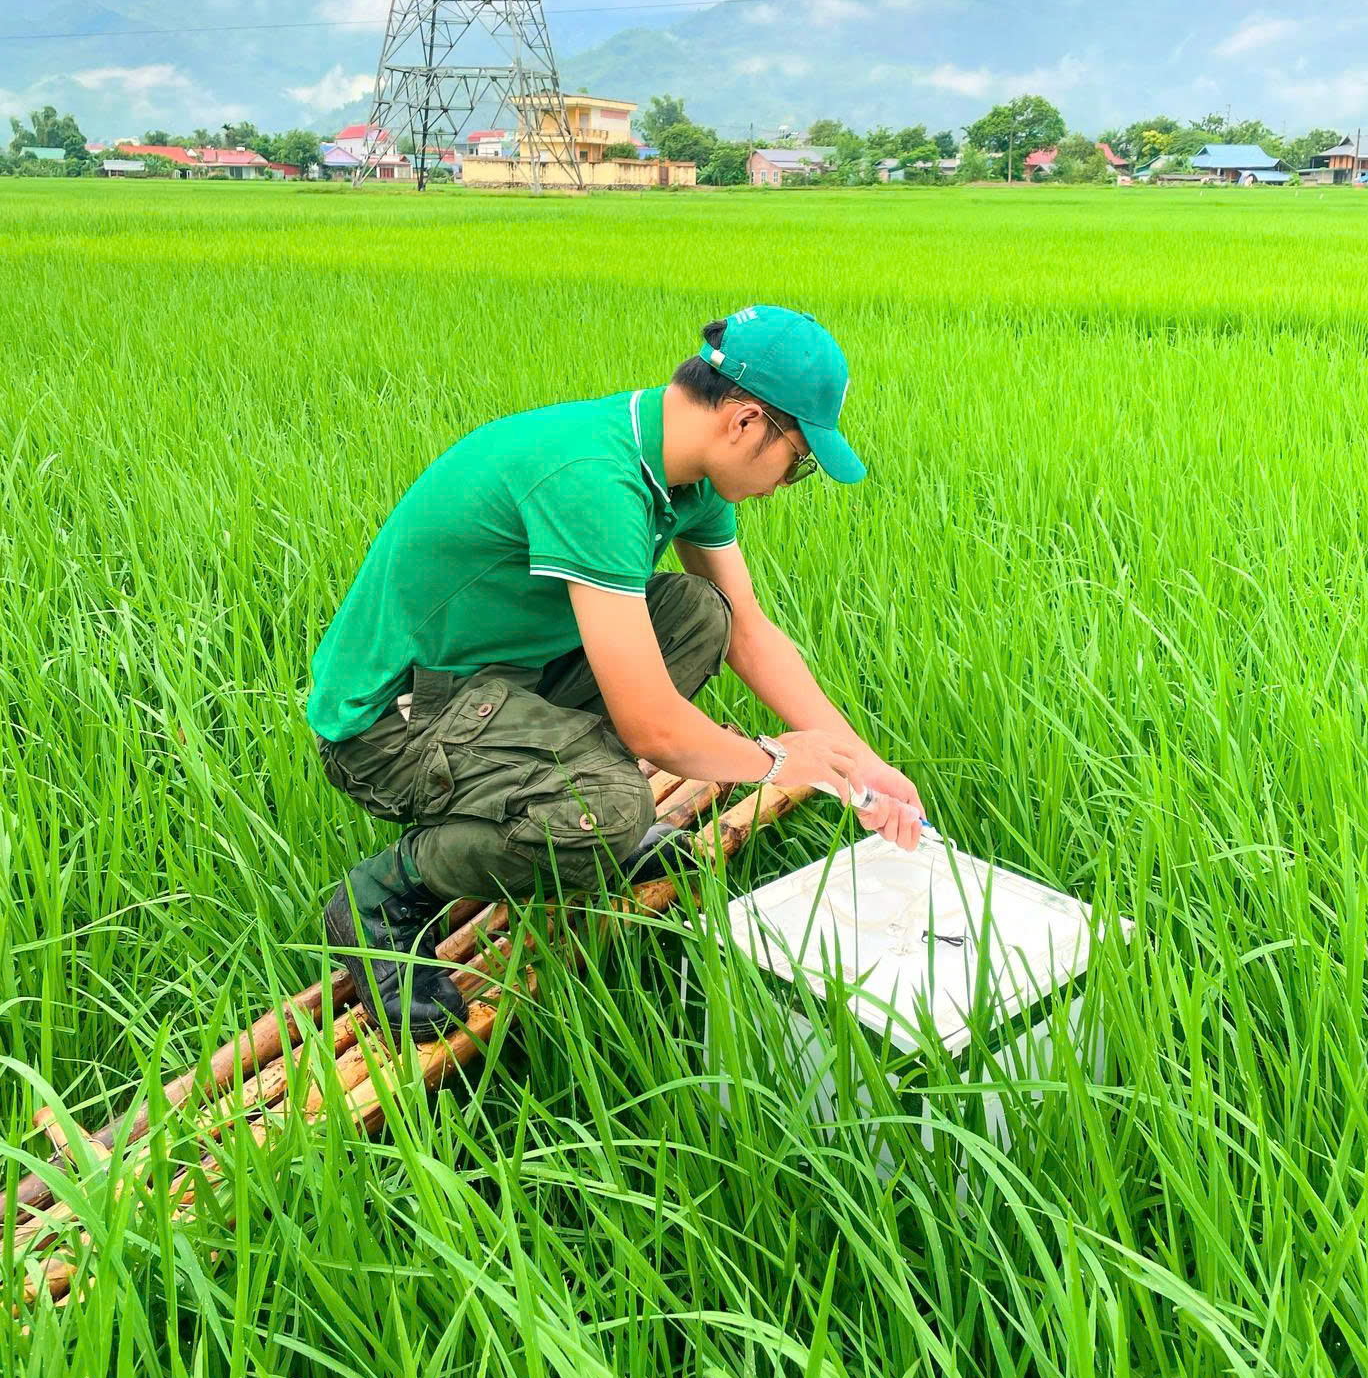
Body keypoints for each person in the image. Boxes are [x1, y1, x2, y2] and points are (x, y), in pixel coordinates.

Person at [307, 305, 925, 1042]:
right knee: (611, 805)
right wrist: (779, 761)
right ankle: (384, 894)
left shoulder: (686, 473)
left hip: (496, 683)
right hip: (391, 726)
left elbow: (749, 633)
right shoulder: (595, 481)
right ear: (745, 422)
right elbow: (652, 728)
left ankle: (575, 812)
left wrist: (861, 761)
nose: (789, 481)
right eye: (800, 461)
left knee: (700, 614)